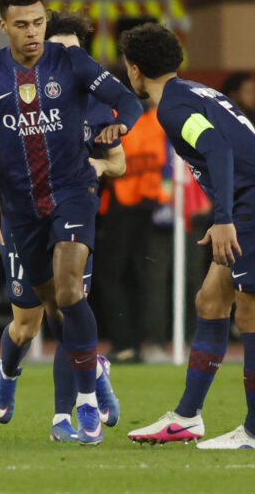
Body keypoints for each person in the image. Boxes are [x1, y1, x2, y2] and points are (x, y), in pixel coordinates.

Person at [0, 0, 143, 445]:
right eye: (22, 25)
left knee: (70, 290)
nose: (33, 32)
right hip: (22, 210)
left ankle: (83, 406)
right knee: (42, 316)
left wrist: (121, 123)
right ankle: (24, 369)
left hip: (73, 194)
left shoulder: (73, 63)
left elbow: (128, 99)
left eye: (39, 22)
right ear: (4, 26)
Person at [117, 24, 255, 449]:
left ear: (135, 70)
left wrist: (223, 218)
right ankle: (187, 418)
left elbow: (218, 149)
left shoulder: (172, 108)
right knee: (210, 300)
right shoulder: (195, 92)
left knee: (252, 315)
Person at [0, 10, 124, 442]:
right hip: (26, 218)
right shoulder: (18, 93)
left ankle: (68, 415)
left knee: (70, 304)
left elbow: (119, 161)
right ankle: (9, 370)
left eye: (73, 52)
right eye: (59, 51)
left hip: (72, 215)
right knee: (28, 324)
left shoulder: (95, 100)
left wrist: (96, 165)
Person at [95, 99, 170, 364]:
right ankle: (136, 342)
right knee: (139, 273)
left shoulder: (115, 116)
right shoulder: (155, 121)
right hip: (148, 201)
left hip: (122, 200)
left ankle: (124, 343)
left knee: (111, 274)